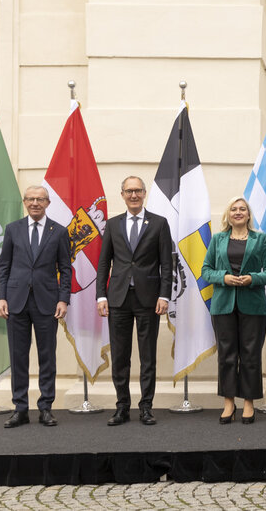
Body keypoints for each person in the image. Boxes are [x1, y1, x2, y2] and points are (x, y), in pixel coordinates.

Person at [96, 176, 172, 426]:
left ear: (144, 193)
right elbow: (104, 263)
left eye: (138, 190)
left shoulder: (159, 224)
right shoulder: (113, 224)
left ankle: (146, 407)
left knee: (148, 355)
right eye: (129, 191)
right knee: (120, 355)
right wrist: (101, 295)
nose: (134, 195)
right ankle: (122, 407)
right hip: (118, 298)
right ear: (122, 194)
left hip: (149, 299)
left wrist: (164, 295)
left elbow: (166, 264)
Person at [0, 186, 72, 428]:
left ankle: (46, 407)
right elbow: (3, 266)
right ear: (24, 202)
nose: (35, 203)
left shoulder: (59, 232)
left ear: (48, 203)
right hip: (15, 301)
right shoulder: (13, 229)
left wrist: (63, 299)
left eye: (40, 199)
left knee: (47, 356)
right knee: (18, 357)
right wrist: (1, 297)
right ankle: (20, 408)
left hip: (47, 302)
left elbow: (66, 269)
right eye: (31, 199)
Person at [201, 196, 266, 424]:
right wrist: (223, 277)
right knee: (227, 356)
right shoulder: (218, 239)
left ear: (248, 214)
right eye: (233, 208)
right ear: (228, 214)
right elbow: (206, 271)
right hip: (223, 306)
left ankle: (248, 403)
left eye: (242, 209)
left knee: (251, 356)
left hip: (252, 306)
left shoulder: (261, 239)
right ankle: (228, 403)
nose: (238, 212)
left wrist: (252, 279)